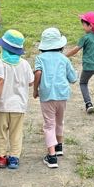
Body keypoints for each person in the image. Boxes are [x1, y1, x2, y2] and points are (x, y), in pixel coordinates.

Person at [34, 27, 77, 169]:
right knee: (60, 121)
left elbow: (38, 73)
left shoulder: (40, 58)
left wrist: (35, 89)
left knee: (49, 124)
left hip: (46, 95)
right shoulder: (64, 59)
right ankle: (59, 147)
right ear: (60, 45)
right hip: (62, 94)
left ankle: (51, 157)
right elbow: (73, 78)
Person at [0, 30, 33, 169]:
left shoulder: (1, 63)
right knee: (16, 132)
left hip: (3, 105)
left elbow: (0, 81)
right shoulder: (25, 64)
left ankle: (1, 157)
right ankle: (14, 158)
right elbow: (31, 82)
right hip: (19, 106)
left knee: (0, 132)